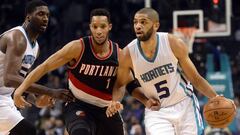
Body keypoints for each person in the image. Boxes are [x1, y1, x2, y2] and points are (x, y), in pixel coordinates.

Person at [13, 8, 158, 135]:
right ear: (90, 27)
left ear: (109, 27)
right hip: (78, 104)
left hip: (106, 109)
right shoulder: (77, 48)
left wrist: (145, 100)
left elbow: (130, 84)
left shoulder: (119, 54)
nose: (99, 31)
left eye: (102, 26)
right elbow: (44, 67)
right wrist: (20, 90)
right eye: (95, 27)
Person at [106, 7, 220, 135]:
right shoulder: (127, 54)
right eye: (135, 22)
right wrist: (115, 101)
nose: (138, 26)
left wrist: (216, 97)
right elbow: (121, 84)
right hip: (157, 112)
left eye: (143, 22)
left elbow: (195, 78)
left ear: (156, 25)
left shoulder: (173, 43)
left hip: (184, 104)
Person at [0, 1, 73, 135]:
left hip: (5, 98)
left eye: (47, 15)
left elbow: (22, 81)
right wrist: (50, 91)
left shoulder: (36, 48)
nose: (45, 18)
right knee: (28, 131)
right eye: (40, 14)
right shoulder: (17, 37)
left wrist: (36, 100)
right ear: (28, 17)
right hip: (2, 98)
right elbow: (10, 79)